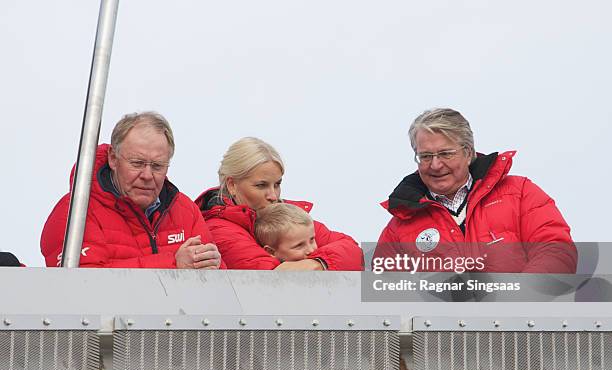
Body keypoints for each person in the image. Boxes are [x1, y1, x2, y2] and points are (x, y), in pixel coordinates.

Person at [376, 108, 576, 273]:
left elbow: (556, 251)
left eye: (446, 154)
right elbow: (386, 291)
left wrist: (516, 300)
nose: (435, 165)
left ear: (469, 152)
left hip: (518, 319)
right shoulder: (399, 227)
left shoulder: (520, 193)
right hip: (439, 322)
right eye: (426, 156)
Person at [41, 112, 223, 269]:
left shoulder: (186, 210)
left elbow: (219, 287)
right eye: (137, 163)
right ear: (113, 158)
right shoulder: (75, 212)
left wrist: (215, 265)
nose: (147, 175)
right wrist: (174, 265)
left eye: (158, 166)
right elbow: (84, 284)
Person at [195, 137, 363, 271]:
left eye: (277, 184)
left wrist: (318, 264)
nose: (273, 196)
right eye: (261, 185)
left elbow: (353, 250)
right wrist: (323, 264)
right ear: (232, 184)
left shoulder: (288, 217)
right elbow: (272, 279)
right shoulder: (218, 230)